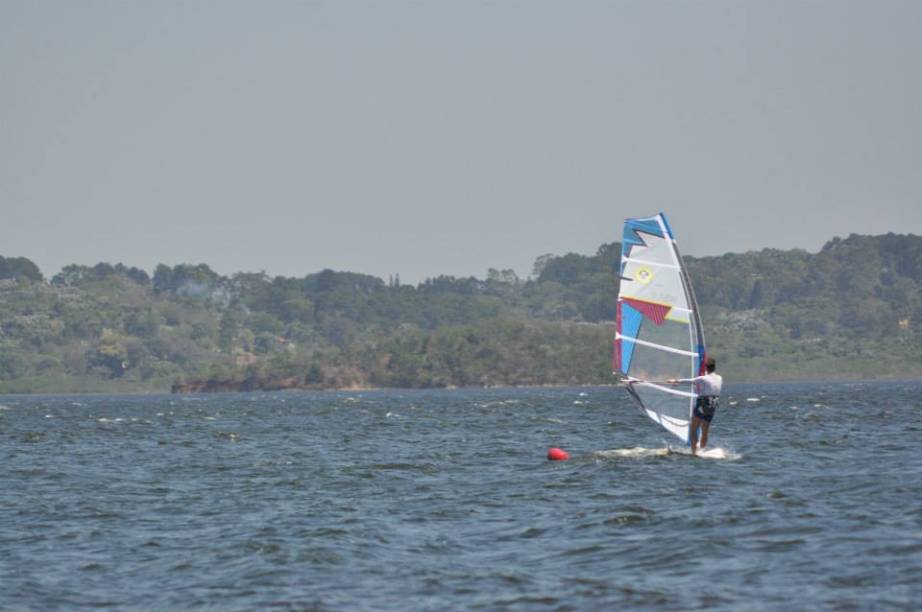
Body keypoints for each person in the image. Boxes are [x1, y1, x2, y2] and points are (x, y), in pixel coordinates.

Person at [668, 357, 722, 455]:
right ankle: (702, 451)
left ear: (706, 368)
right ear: (714, 367)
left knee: (694, 429)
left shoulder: (703, 378)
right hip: (714, 403)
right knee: (705, 429)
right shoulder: (719, 378)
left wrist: (675, 381)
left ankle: (694, 453)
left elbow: (690, 381)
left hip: (703, 402)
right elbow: (708, 386)